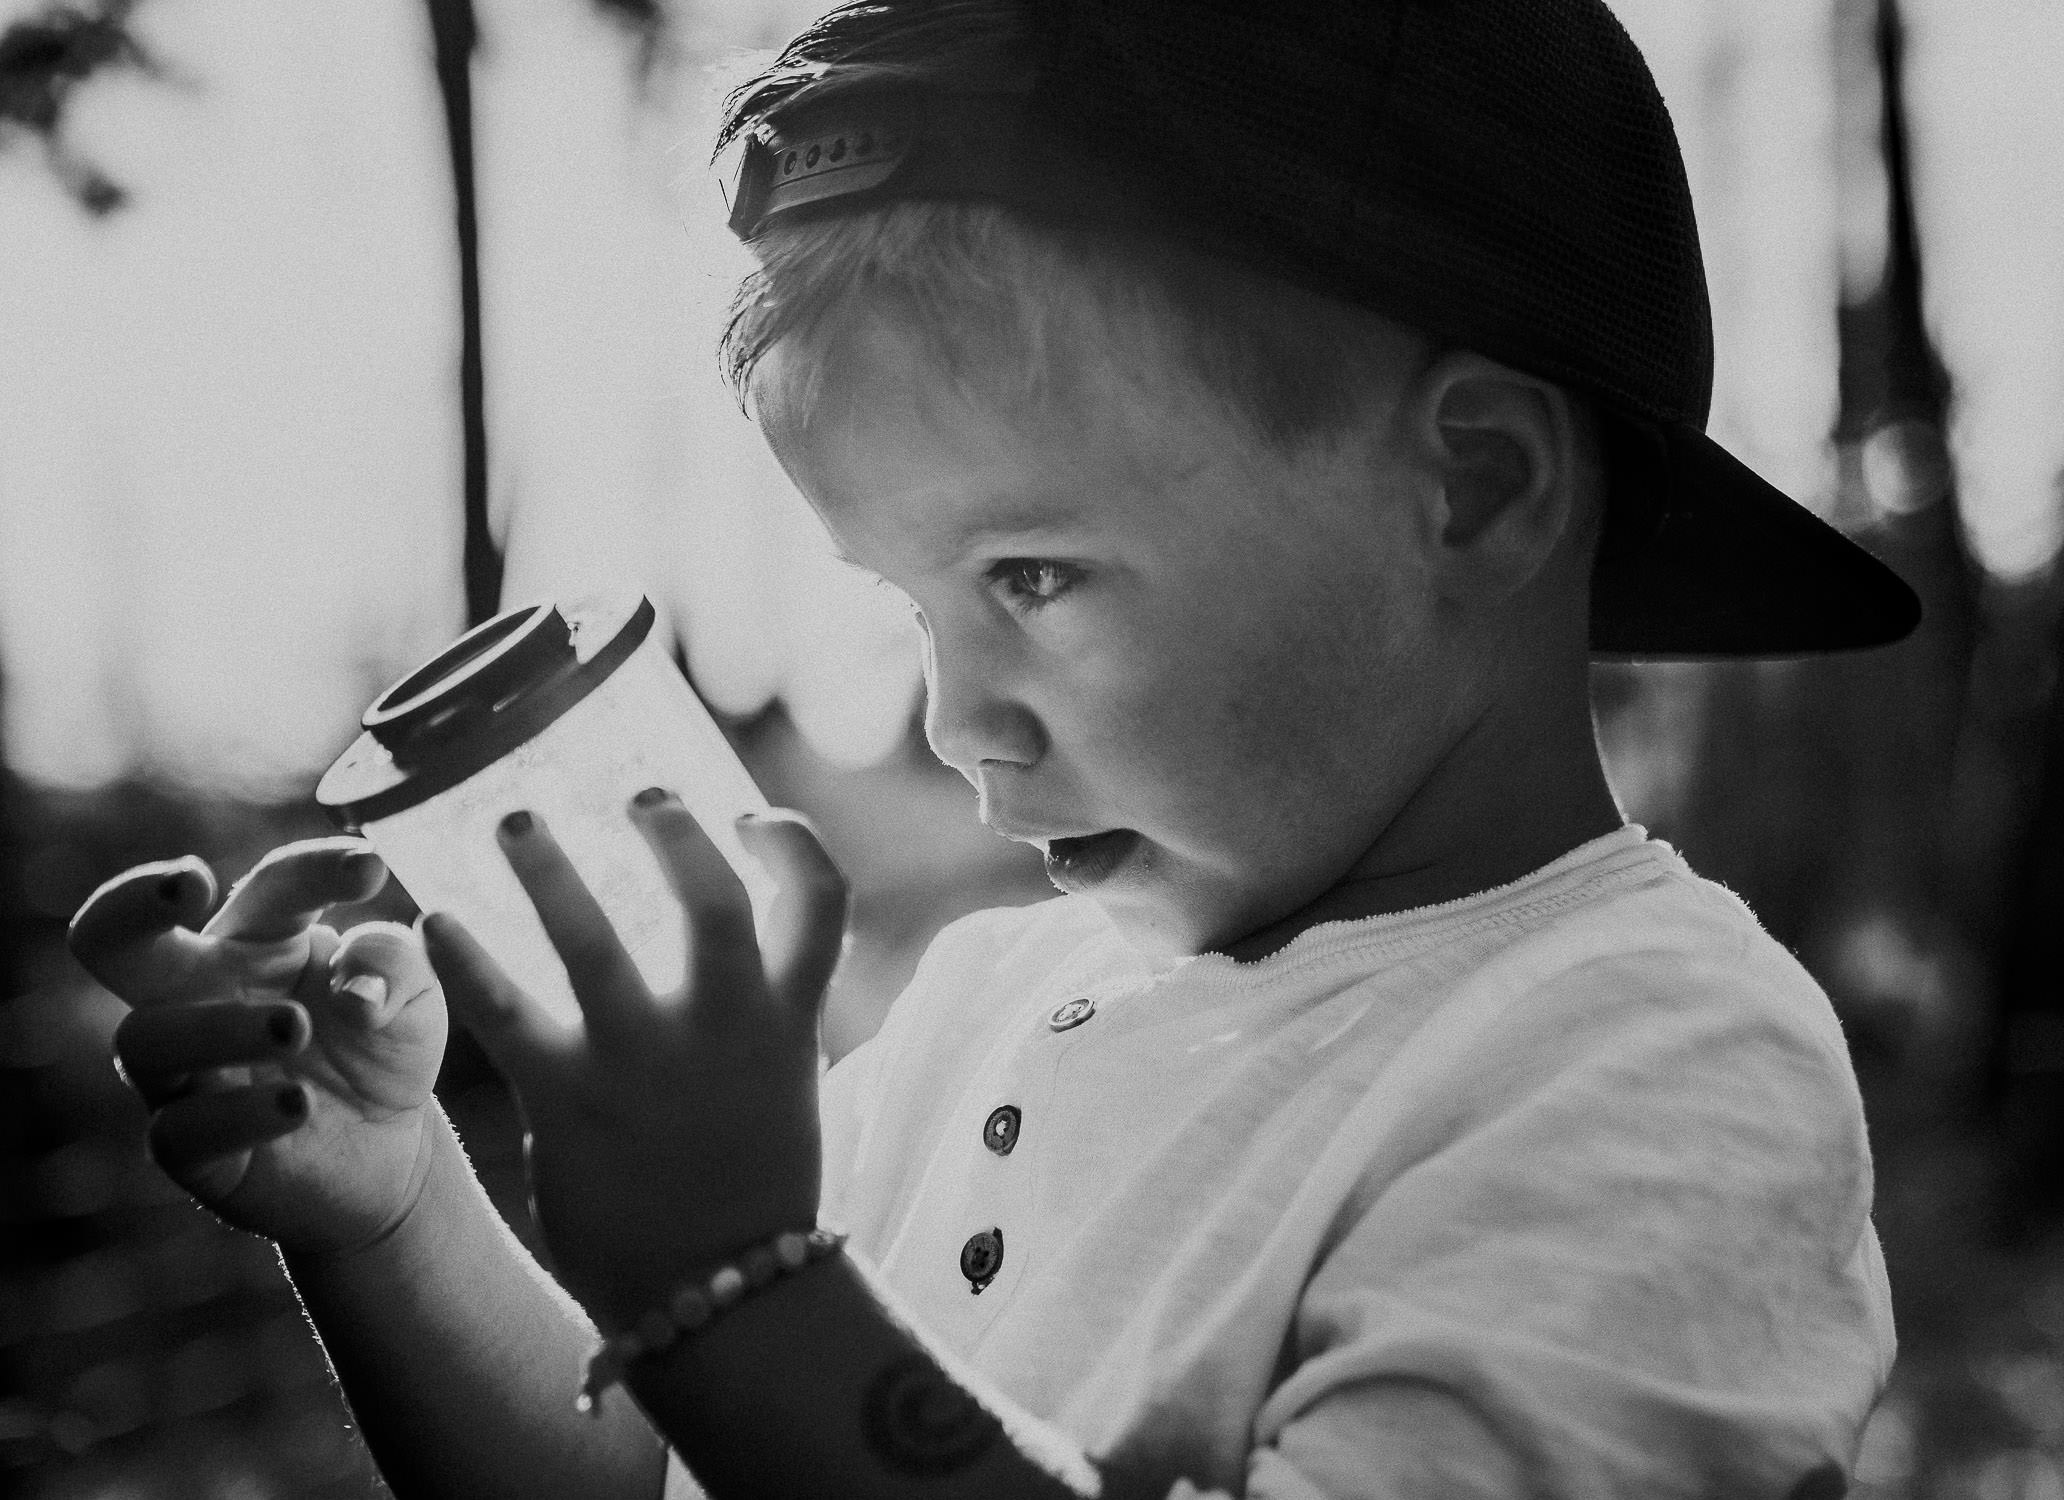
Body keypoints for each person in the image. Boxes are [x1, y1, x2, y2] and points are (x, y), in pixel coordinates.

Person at [67, 2, 1918, 1496]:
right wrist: (391, 1218)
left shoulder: (1649, 1060)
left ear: (1479, 483)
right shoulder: (981, 1005)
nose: (954, 721)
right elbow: (664, 1462)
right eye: (908, 599)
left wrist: (733, 1288)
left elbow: (750, 1364)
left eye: (1031, 572)